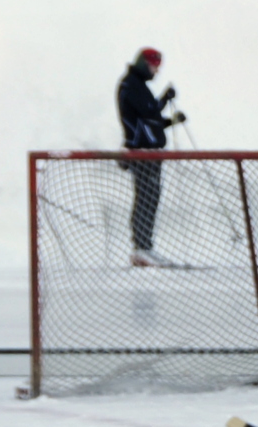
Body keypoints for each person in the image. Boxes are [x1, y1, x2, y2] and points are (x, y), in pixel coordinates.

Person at [115, 47, 185, 267]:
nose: (156, 71)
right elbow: (149, 111)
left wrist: (171, 122)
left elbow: (150, 120)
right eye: (154, 66)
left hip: (151, 153)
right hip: (141, 153)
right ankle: (141, 248)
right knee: (146, 198)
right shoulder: (131, 84)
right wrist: (165, 97)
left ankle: (145, 247)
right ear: (144, 64)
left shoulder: (139, 86)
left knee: (150, 198)